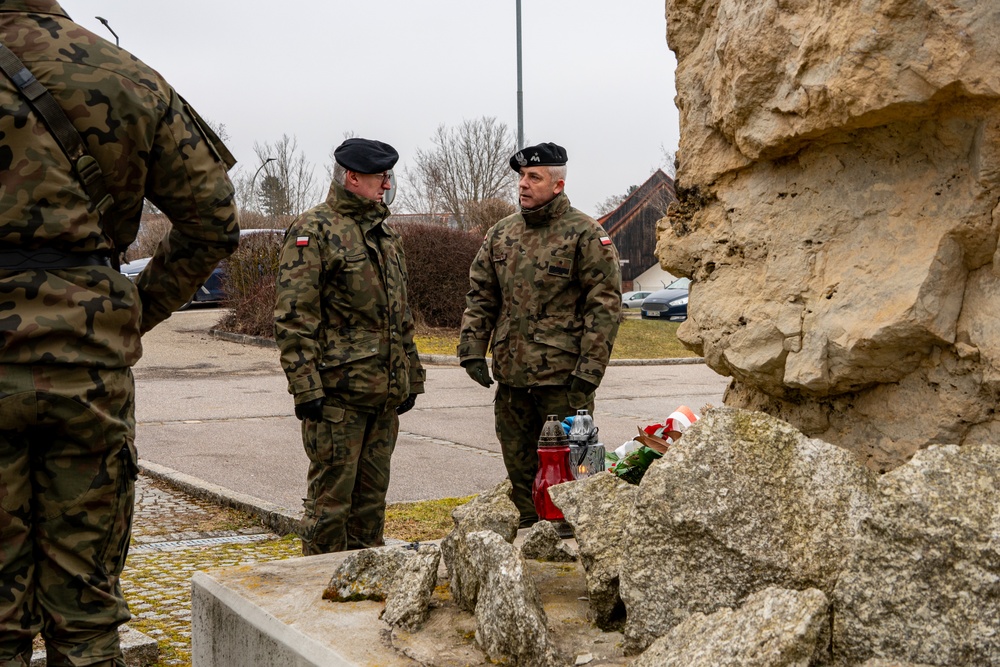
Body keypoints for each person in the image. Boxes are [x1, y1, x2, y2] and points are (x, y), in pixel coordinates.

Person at [0, 2, 240, 664]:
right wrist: (135, 309)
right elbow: (215, 220)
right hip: (86, 372)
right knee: (85, 616)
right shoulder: (127, 74)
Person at [458, 142, 622, 527]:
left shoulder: (584, 234)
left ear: (558, 185)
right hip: (512, 380)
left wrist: (589, 371)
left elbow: (605, 305)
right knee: (521, 477)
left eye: (535, 177)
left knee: (574, 476)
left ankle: (578, 547)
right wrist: (471, 349)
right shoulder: (502, 234)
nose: (524, 185)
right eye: (521, 177)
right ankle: (531, 543)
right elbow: (481, 294)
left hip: (563, 383)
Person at [274, 137, 424, 556]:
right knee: (330, 507)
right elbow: (294, 317)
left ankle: (362, 593)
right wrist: (306, 389)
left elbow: (400, 316)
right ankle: (316, 598)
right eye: (380, 176)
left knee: (371, 508)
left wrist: (411, 377)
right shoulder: (313, 230)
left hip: (382, 397)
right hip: (337, 399)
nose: (387, 183)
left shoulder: (385, 235)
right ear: (353, 177)